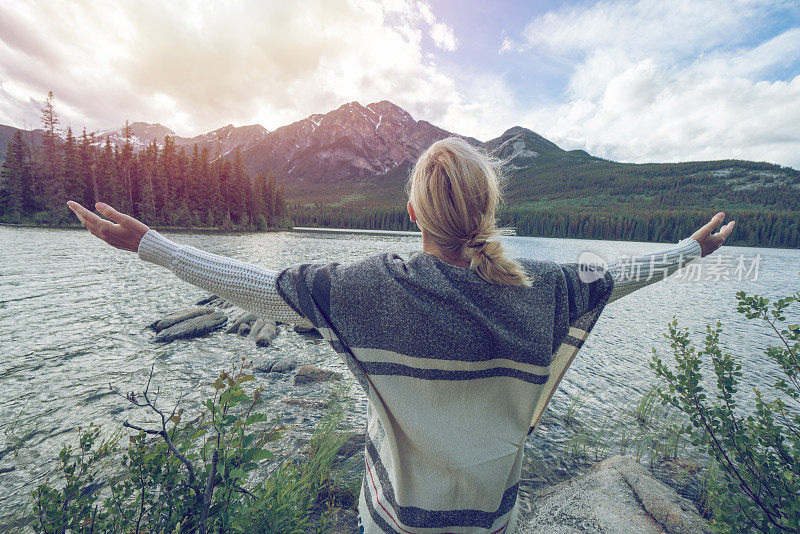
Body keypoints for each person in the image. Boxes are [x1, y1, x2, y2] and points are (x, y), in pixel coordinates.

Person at [67, 136, 734, 533]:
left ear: (412, 210)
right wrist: (690, 248)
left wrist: (149, 245)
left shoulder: (371, 289)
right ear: (488, 209)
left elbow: (256, 288)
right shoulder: (547, 286)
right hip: (490, 519)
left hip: (394, 522)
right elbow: (619, 276)